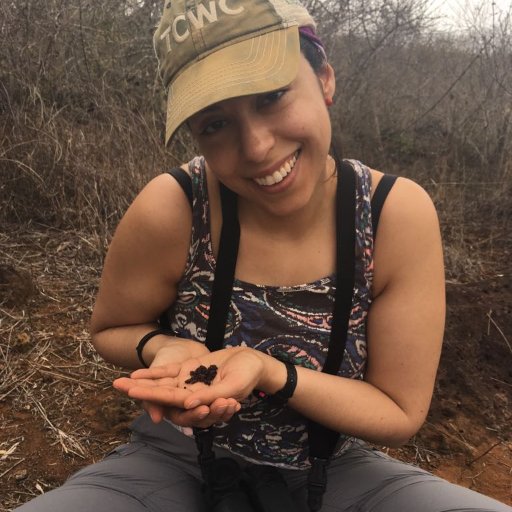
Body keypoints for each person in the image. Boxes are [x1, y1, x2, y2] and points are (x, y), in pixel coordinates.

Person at [16, 1, 511, 511]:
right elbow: (110, 329)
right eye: (214, 124)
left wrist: (270, 371)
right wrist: (162, 348)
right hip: (176, 459)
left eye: (272, 96)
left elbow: (400, 412)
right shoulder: (175, 207)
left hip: (335, 466)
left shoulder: (392, 215)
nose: (255, 147)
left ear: (324, 79)